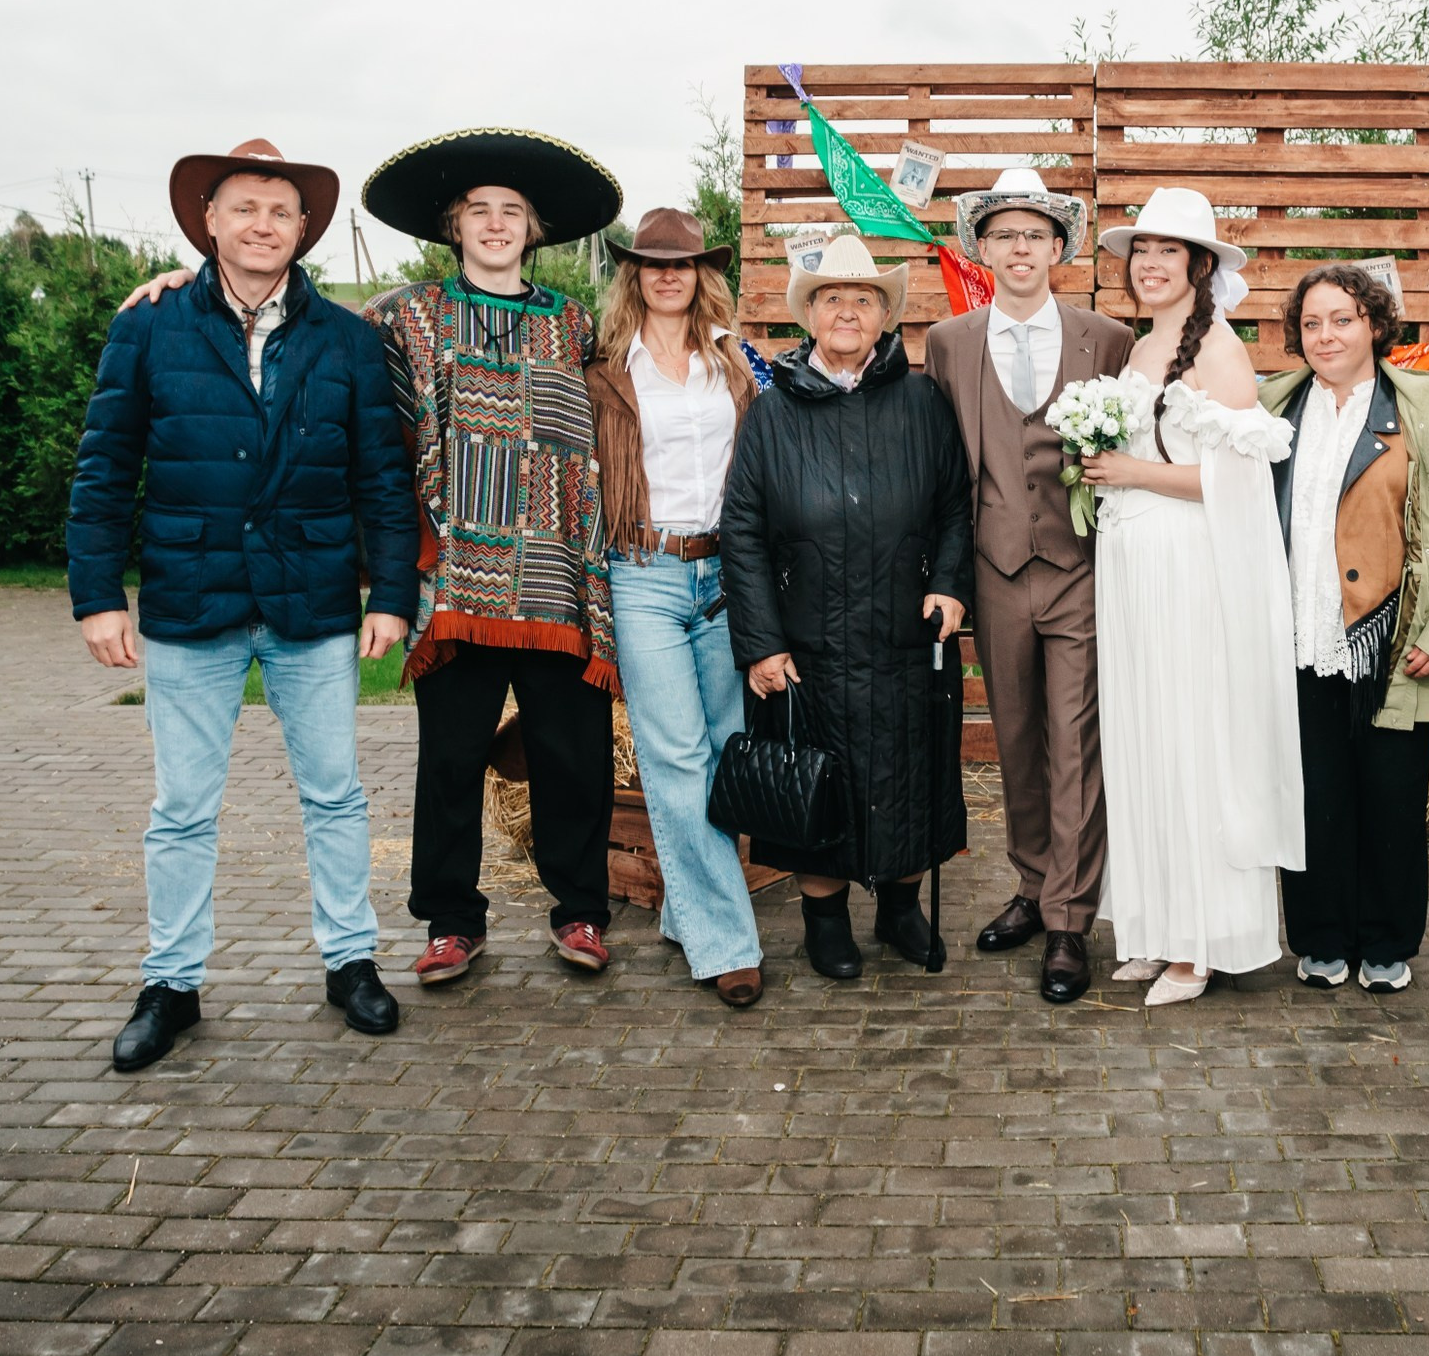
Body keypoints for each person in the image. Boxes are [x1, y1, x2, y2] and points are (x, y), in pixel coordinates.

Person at [70, 139, 420, 1072]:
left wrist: (392, 591)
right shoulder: (150, 325)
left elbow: (383, 479)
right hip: (192, 598)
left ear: (304, 230)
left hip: (312, 600)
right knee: (182, 807)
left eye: (281, 211)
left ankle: (350, 963)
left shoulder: (348, 337)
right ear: (209, 221)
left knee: (336, 796)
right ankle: (171, 983)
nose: (264, 225)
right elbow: (104, 470)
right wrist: (98, 596)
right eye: (245, 208)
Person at [358, 128, 626, 986]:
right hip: (458, 581)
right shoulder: (408, 315)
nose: (497, 224)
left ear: (536, 229)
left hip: (556, 581)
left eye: (513, 211)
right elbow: (322, 355)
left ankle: (581, 910)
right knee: (448, 760)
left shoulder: (576, 324)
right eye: (481, 211)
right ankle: (449, 921)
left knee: (573, 759)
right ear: (454, 224)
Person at [718, 234, 974, 979]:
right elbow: (743, 531)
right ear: (809, 314)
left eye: (863, 298)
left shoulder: (923, 401)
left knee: (910, 774)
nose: (847, 311)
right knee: (819, 779)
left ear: (885, 315)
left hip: (905, 633)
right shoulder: (772, 415)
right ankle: (824, 921)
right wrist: (762, 644)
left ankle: (900, 909)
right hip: (810, 641)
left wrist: (951, 584)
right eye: (832, 298)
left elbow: (957, 504)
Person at [1077, 188, 1304, 1007]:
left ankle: (1204, 941)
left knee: (1193, 743)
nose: (1148, 264)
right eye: (1140, 250)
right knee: (1143, 741)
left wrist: (1131, 471)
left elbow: (1239, 481)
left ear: (1200, 265)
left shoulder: (1218, 349)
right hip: (1133, 565)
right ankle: (1156, 925)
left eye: (1167, 251)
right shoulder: (1140, 351)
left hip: (1188, 567)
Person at [923, 168, 1136, 1005]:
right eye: (1004, 234)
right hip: (994, 570)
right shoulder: (949, 342)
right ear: (983, 247)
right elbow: (947, 472)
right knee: (1015, 739)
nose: (1020, 247)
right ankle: (1032, 880)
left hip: (1079, 566)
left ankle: (1069, 920)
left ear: (1058, 247)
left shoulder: (1106, 339)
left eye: (1035, 234)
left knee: (1074, 741)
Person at [1260, 263, 1429, 996]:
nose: (1325, 334)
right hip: (1299, 636)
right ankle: (1322, 937)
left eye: (1342, 318)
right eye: (1312, 322)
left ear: (1373, 325)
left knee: (1390, 798)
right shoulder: (1274, 408)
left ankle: (1387, 940)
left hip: (1395, 642)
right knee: (1314, 796)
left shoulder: (1425, 410)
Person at [587, 207, 772, 1008]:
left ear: (703, 274)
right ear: (633, 274)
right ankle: (727, 942)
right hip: (644, 571)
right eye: (652, 263)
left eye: (683, 263)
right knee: (676, 757)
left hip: (722, 571)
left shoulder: (733, 365)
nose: (668, 275)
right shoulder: (601, 368)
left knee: (726, 749)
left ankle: (687, 908)